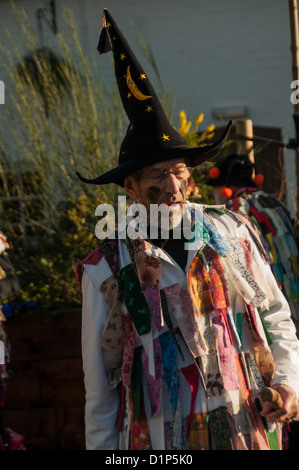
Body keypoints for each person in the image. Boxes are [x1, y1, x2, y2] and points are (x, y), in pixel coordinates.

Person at [76, 10, 299, 450]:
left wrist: (290, 385)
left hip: (245, 432)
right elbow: (99, 384)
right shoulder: (106, 270)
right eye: (157, 176)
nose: (173, 187)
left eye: (179, 171)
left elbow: (276, 316)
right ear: (131, 188)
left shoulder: (233, 234)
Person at [206, 153, 299, 335]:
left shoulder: (235, 211)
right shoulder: (275, 202)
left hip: (270, 294)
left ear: (227, 187)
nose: (213, 194)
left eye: (215, 188)